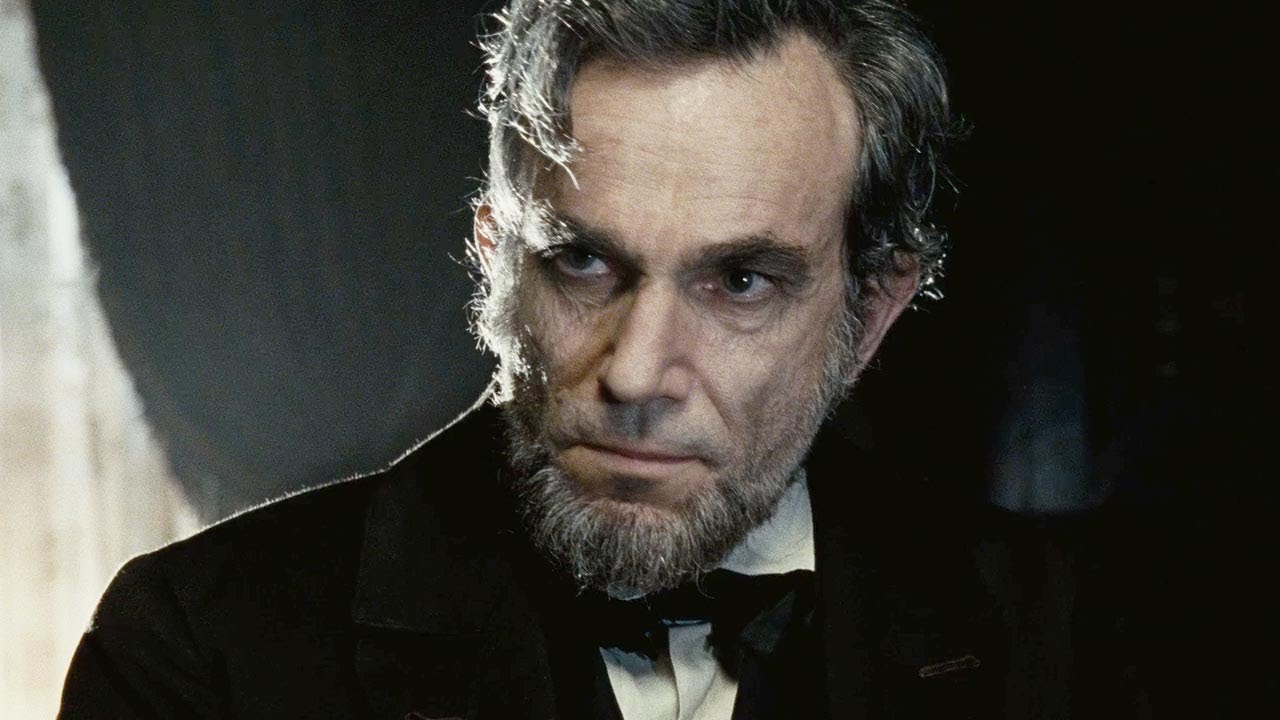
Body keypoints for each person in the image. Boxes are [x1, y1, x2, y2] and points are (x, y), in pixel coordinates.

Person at [60, 1, 1141, 718]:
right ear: (494, 263)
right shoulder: (199, 650)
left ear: (870, 316)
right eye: (582, 263)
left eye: (740, 281)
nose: (635, 374)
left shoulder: (1054, 643)